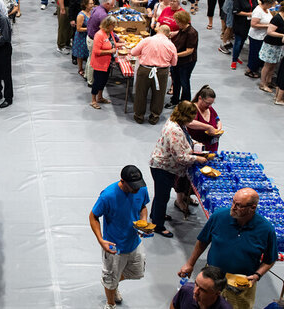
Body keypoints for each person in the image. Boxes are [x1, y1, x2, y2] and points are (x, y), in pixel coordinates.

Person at [178, 188, 278, 309]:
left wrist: (257, 275)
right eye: (233, 202)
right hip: (212, 280)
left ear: (252, 208)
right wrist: (190, 263)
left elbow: (270, 259)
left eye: (239, 205)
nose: (233, 207)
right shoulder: (219, 217)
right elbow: (202, 241)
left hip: (240, 286)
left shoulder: (266, 230)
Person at [89, 165, 150, 309]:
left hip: (134, 241)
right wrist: (100, 240)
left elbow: (143, 207)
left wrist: (143, 221)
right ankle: (110, 303)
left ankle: (112, 284)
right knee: (110, 278)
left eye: (138, 185)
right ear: (122, 181)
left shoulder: (141, 189)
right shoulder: (108, 196)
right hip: (114, 246)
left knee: (136, 271)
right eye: (133, 186)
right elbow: (93, 217)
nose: (137, 189)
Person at [149, 101, 208, 237]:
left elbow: (185, 138)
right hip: (163, 167)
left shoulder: (177, 123)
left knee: (160, 195)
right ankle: (158, 226)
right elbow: (180, 157)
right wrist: (197, 158)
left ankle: (155, 214)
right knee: (162, 196)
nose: (192, 120)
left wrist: (194, 143)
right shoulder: (174, 130)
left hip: (164, 165)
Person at [131, 25, 178, 124]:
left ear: (157, 31)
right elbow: (174, 63)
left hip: (144, 70)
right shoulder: (171, 45)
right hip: (162, 72)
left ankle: (139, 116)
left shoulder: (147, 40)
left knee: (141, 93)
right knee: (159, 95)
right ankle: (154, 116)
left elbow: (133, 52)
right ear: (168, 34)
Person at [259, 0, 284, 93]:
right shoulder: (277, 18)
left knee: (273, 65)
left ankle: (269, 81)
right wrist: (283, 35)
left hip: (279, 45)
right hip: (271, 44)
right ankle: (263, 84)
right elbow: (270, 32)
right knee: (267, 65)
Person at [167, 11, 198, 108]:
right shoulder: (182, 29)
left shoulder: (192, 33)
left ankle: (185, 103)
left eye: (178, 22)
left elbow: (189, 51)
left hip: (187, 62)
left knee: (184, 82)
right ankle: (175, 100)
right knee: (176, 81)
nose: (176, 24)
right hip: (178, 61)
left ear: (183, 22)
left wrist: (175, 55)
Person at [89, 15, 119, 110]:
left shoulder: (109, 33)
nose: (114, 28)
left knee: (104, 80)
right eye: (113, 25)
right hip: (99, 63)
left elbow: (112, 44)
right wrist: (110, 51)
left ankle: (100, 97)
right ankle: (93, 100)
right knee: (97, 82)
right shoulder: (99, 35)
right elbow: (96, 51)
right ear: (108, 25)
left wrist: (122, 44)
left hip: (108, 63)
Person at [231, 0, 259, 71]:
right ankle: (234, 60)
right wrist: (248, 14)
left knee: (242, 42)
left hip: (249, 25)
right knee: (238, 42)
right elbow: (235, 11)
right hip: (240, 24)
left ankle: (237, 56)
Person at [187, 85, 223, 152]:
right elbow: (190, 122)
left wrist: (218, 129)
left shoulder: (210, 108)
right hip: (198, 148)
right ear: (200, 98)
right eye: (207, 103)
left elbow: (217, 119)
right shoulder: (193, 108)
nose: (209, 106)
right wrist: (208, 127)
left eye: (211, 103)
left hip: (211, 146)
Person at [73, 0, 94, 78]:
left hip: (88, 35)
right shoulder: (81, 15)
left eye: (92, 3)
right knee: (80, 54)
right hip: (81, 37)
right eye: (90, 4)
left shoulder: (91, 12)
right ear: (85, 5)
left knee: (87, 52)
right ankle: (80, 68)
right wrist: (89, 28)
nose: (92, 5)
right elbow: (78, 28)